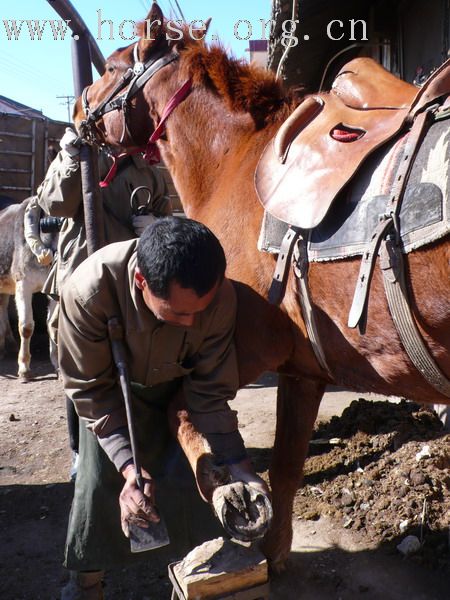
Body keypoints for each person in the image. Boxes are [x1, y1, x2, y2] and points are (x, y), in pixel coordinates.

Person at [58, 217, 265, 599]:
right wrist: (127, 465)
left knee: (197, 486)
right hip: (110, 400)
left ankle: (202, 578)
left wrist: (239, 465)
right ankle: (86, 582)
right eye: (178, 314)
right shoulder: (88, 293)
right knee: (98, 487)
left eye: (200, 313)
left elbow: (210, 392)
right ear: (141, 282)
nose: (192, 323)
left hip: (177, 398)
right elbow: (90, 392)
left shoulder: (218, 299)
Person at [24, 127, 171, 479]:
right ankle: (80, 453)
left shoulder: (147, 169)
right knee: (76, 373)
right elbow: (54, 203)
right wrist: (71, 157)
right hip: (76, 284)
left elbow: (166, 223)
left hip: (130, 288)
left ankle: (133, 452)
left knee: (134, 370)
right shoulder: (82, 157)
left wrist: (155, 228)